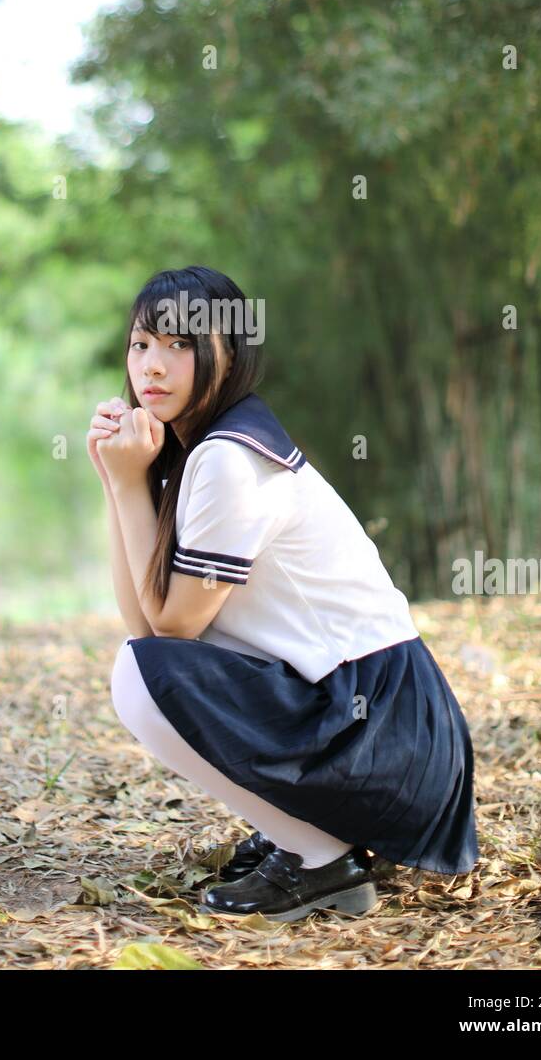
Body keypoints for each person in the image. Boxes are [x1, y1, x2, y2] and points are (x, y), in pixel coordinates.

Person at [87, 264, 479, 923]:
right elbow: (147, 624)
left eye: (181, 345)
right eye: (141, 344)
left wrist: (130, 486)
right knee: (142, 663)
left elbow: (172, 628)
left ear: (228, 354)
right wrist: (116, 479)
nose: (152, 366)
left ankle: (321, 860)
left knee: (136, 678)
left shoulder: (228, 458)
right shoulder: (201, 450)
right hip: (373, 722)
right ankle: (309, 835)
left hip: (384, 729)